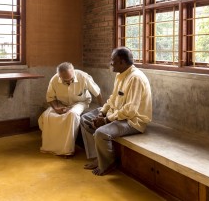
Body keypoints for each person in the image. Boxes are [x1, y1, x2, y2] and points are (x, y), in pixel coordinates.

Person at [80, 47, 152, 175]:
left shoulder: (135, 78)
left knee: (101, 133)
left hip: (132, 121)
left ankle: (108, 163)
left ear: (122, 62)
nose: (111, 63)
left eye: (113, 60)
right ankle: (99, 156)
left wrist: (106, 120)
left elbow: (130, 110)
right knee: (85, 119)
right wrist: (102, 113)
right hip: (117, 114)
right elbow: (113, 98)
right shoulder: (120, 75)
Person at [38, 62, 103, 156]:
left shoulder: (83, 76)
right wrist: (56, 108)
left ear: (74, 72)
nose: (68, 82)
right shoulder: (54, 79)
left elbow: (97, 93)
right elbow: (50, 98)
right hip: (61, 103)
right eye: (65, 81)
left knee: (72, 115)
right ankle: (50, 147)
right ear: (59, 76)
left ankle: (67, 150)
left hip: (80, 102)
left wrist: (102, 110)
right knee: (47, 116)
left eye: (71, 79)